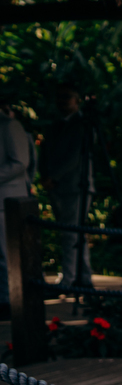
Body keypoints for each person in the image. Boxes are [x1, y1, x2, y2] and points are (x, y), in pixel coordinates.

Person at [39, 83, 94, 288]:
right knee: (72, 233)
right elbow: (45, 152)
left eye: (67, 97)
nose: (62, 101)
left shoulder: (83, 124)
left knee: (72, 233)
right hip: (57, 187)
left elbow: (75, 158)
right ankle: (83, 277)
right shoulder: (54, 125)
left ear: (77, 100)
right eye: (59, 97)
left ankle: (71, 278)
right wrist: (45, 176)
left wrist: (54, 176)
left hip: (75, 186)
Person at [0, 103, 35, 320]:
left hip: (7, 199)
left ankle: (9, 301)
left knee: (6, 253)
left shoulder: (10, 126)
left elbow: (21, 162)